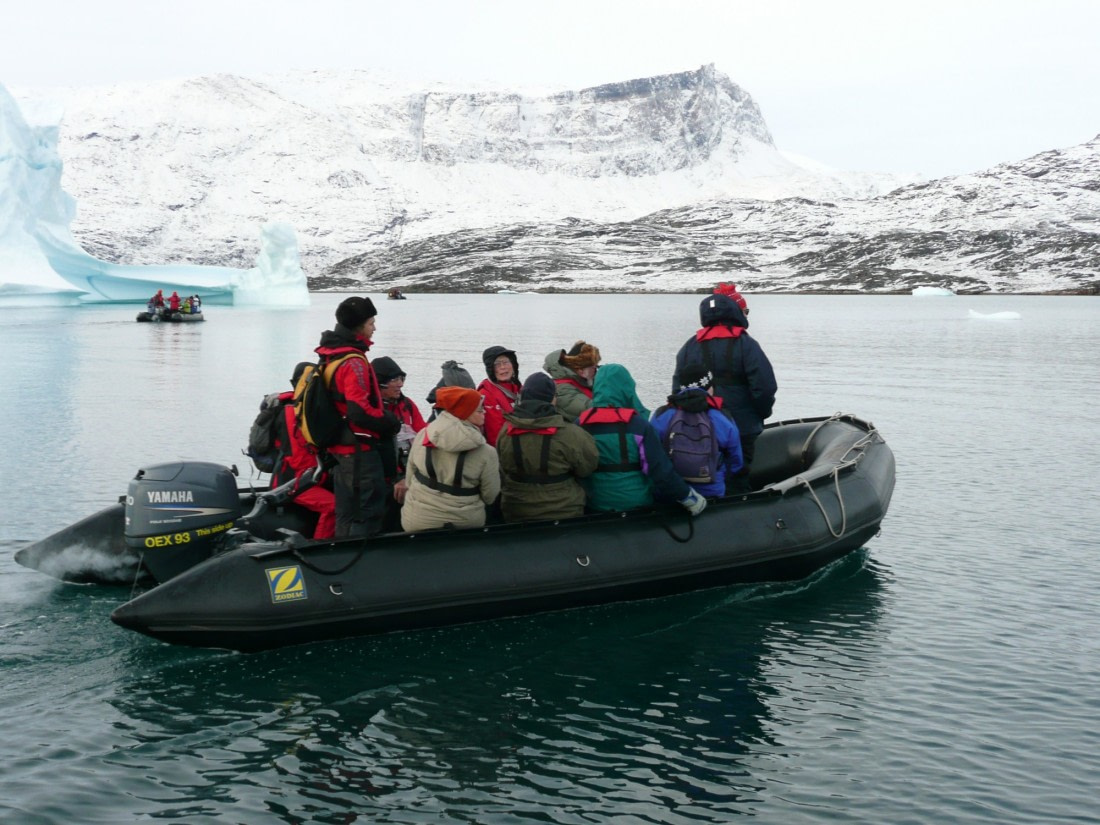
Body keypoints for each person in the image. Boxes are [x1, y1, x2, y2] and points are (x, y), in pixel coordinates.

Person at [314, 296, 401, 538]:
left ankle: (341, 550)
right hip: (359, 452)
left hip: (340, 449)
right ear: (358, 326)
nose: (374, 327)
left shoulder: (331, 355)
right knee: (366, 512)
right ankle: (361, 554)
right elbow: (358, 411)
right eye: (371, 322)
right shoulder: (353, 362)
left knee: (346, 511)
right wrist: (389, 421)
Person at [672, 292, 776, 492]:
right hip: (743, 425)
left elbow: (678, 390)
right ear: (734, 313)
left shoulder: (689, 346)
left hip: (698, 428)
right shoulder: (747, 344)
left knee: (701, 474)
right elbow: (764, 387)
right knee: (739, 476)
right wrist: (761, 414)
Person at [577, 363, 706, 516]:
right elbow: (660, 470)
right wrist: (688, 497)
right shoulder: (639, 426)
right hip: (636, 502)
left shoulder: (579, 425)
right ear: (626, 388)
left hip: (595, 503)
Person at [496, 372, 599, 522]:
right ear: (552, 399)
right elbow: (588, 467)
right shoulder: (570, 433)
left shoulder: (506, 431)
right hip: (564, 509)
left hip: (516, 509)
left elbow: (502, 467)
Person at [401, 387, 501, 532]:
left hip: (418, 519)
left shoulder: (423, 435)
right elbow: (490, 496)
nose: (484, 412)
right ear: (465, 413)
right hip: (466, 522)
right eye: (480, 410)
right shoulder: (486, 452)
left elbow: (409, 479)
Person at [650, 364, 744, 498]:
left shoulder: (662, 414)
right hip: (711, 491)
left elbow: (652, 454)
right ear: (709, 388)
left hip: (670, 492)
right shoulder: (722, 417)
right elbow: (736, 461)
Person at [270, 362, 336, 539]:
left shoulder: (286, 409)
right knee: (333, 507)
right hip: (293, 483)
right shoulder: (292, 414)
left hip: (302, 478)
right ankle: (320, 546)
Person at [372, 355, 427, 529]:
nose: (400, 384)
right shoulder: (370, 410)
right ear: (379, 383)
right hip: (381, 480)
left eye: (401, 379)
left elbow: (424, 438)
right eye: (394, 380)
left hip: (409, 473)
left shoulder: (407, 405)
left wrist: (409, 477)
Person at [542, 340, 601, 421]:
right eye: (593, 367)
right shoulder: (563, 389)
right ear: (580, 369)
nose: (596, 370)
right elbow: (591, 409)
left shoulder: (581, 382)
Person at [477, 346, 522, 447]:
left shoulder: (518, 389)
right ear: (490, 369)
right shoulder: (485, 394)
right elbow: (495, 434)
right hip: (502, 450)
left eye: (506, 362)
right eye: (497, 364)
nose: (503, 367)